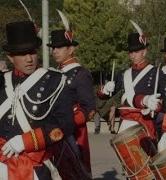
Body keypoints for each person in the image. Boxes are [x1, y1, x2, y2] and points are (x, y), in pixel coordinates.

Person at [0, 20, 75, 180]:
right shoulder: (2, 82)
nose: (29, 59)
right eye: (22, 53)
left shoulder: (55, 81)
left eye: (32, 52)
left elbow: (65, 124)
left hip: (36, 167)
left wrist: (26, 141)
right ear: (10, 57)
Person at [101, 21, 163, 156]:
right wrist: (104, 90)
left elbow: (163, 101)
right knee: (129, 168)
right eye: (131, 52)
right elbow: (105, 97)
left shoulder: (156, 73)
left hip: (145, 125)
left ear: (144, 51)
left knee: (146, 167)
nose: (133, 55)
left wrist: (156, 106)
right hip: (125, 126)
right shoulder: (123, 74)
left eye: (136, 51)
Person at [47, 11, 96, 177]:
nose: (55, 51)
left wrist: (67, 122)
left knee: (75, 173)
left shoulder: (80, 74)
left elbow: (89, 109)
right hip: (54, 133)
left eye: (59, 47)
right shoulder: (53, 74)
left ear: (71, 48)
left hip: (73, 134)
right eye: (53, 47)